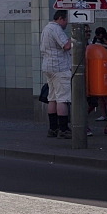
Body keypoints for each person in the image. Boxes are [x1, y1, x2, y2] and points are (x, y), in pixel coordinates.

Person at [40, 10, 73, 139]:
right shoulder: (56, 29)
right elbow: (66, 46)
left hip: (48, 66)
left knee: (52, 97)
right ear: (60, 18)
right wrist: (74, 38)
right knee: (62, 99)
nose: (66, 24)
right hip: (59, 67)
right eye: (66, 21)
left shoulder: (46, 28)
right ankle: (63, 129)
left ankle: (53, 128)